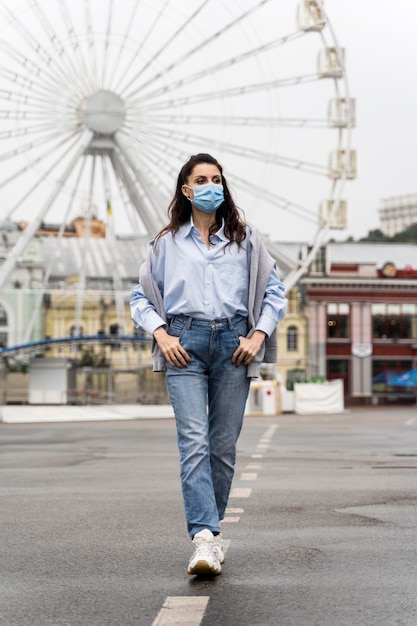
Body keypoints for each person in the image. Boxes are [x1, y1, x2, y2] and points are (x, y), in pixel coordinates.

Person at [130, 153, 287, 576]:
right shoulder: (166, 243)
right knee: (194, 441)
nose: (210, 185)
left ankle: (210, 535)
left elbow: (275, 292)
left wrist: (258, 335)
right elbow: (140, 297)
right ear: (186, 189)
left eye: (216, 178)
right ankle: (203, 537)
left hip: (235, 343)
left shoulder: (246, 240)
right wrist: (162, 334)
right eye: (201, 179)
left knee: (222, 447)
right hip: (184, 341)